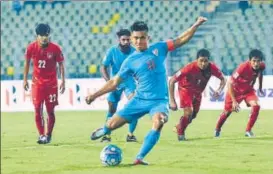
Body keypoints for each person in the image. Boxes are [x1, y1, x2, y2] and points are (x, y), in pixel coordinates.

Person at [86, 17, 207, 165]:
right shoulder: (129, 61)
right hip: (139, 100)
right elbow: (114, 82)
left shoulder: (159, 48)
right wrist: (94, 95)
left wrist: (196, 24)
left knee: (159, 121)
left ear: (148, 37)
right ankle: (105, 129)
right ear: (131, 38)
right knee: (112, 125)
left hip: (159, 102)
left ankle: (139, 157)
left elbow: (181, 39)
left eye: (142, 38)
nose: (138, 41)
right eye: (135, 38)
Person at [169, 49, 226, 141]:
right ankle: (181, 134)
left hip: (198, 92)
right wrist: (172, 101)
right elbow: (172, 81)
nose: (203, 64)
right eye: (201, 61)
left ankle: (179, 126)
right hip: (185, 89)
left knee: (193, 115)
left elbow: (223, 79)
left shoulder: (212, 68)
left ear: (209, 60)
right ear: (196, 60)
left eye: (205, 61)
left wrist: (219, 90)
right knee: (188, 112)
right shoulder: (189, 67)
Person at [23, 23, 65, 144]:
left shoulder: (55, 48)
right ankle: (41, 135)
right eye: (41, 35)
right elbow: (26, 63)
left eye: (46, 35)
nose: (44, 38)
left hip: (51, 84)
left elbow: (61, 64)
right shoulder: (31, 47)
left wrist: (63, 81)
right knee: (37, 109)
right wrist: (25, 79)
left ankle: (49, 134)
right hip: (37, 83)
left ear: (49, 35)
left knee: (50, 111)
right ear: (37, 36)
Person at [215, 49, 265, 137]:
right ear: (250, 61)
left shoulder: (261, 66)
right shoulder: (242, 68)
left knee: (256, 106)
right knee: (227, 112)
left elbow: (260, 74)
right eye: (254, 61)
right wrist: (234, 101)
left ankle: (248, 131)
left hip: (248, 91)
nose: (256, 64)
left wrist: (260, 87)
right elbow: (229, 83)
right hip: (235, 91)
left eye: (258, 61)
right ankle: (217, 129)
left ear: (261, 61)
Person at [100, 29, 138, 143]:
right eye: (123, 40)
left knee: (135, 105)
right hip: (115, 82)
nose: (126, 42)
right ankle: (107, 135)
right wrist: (108, 81)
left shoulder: (135, 52)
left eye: (128, 39)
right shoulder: (112, 51)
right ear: (119, 40)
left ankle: (130, 135)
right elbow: (103, 67)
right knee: (112, 109)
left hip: (129, 82)